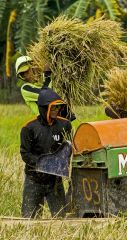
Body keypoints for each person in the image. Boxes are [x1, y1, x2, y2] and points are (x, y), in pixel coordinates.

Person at [20, 87, 72, 218]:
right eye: (53, 108)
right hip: (34, 180)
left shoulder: (65, 125)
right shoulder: (29, 128)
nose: (56, 110)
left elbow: (70, 147)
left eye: (58, 107)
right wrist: (42, 164)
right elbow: (25, 153)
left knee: (61, 219)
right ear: (44, 108)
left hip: (55, 181)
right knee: (29, 220)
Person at [15, 56, 75, 121]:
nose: (25, 76)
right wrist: (47, 74)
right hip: (46, 125)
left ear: (34, 67)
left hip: (62, 121)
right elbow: (46, 95)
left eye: (27, 71)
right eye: (22, 74)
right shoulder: (25, 88)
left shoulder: (44, 79)